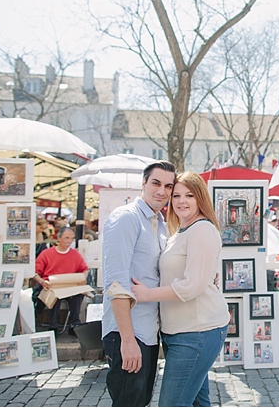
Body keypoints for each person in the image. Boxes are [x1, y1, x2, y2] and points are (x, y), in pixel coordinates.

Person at [131, 171, 228, 407]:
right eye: (176, 195)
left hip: (197, 332)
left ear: (200, 199)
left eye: (189, 195)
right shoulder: (179, 232)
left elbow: (192, 285)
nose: (181, 201)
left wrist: (146, 295)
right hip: (179, 331)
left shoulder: (202, 229)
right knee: (198, 402)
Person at [101, 161, 176, 407]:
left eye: (168, 186)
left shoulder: (160, 223)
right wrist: (128, 340)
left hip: (149, 330)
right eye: (156, 183)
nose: (161, 191)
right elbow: (116, 283)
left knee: (140, 402)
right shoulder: (126, 218)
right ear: (143, 184)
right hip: (129, 332)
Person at [33, 227, 88, 333]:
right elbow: (35, 273)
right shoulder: (46, 254)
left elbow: (84, 269)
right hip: (51, 285)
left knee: (78, 295)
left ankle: (74, 324)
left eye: (72, 238)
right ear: (58, 238)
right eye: (66, 238)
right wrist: (42, 282)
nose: (69, 241)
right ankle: (53, 325)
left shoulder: (75, 254)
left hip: (69, 286)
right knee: (55, 295)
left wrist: (83, 278)